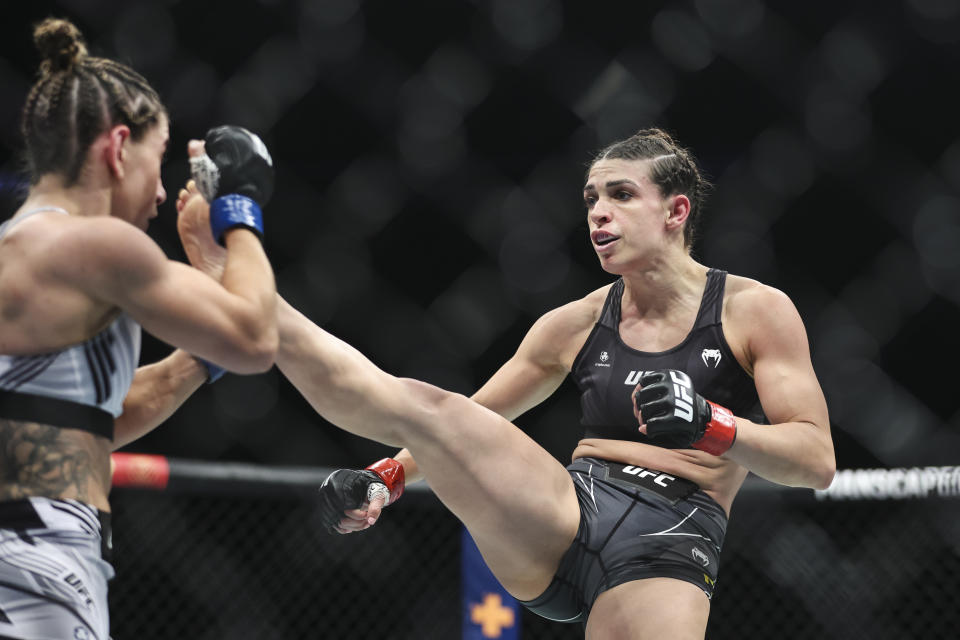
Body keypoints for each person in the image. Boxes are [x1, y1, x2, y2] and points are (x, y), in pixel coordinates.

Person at [180, 127, 835, 639]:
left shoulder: (755, 310)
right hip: (566, 508)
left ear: (676, 211)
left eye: (621, 195)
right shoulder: (574, 323)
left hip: (674, 533)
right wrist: (388, 479)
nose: (598, 215)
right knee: (427, 406)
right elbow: (470, 420)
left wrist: (712, 426)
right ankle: (254, 293)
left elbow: (815, 461)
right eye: (591, 199)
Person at [0, 18, 279, 640]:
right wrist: (242, 205)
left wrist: (208, 339)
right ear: (118, 147)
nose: (160, 192)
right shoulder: (95, 244)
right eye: (158, 160)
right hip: (35, 551)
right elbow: (258, 338)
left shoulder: (22, 247)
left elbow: (101, 417)